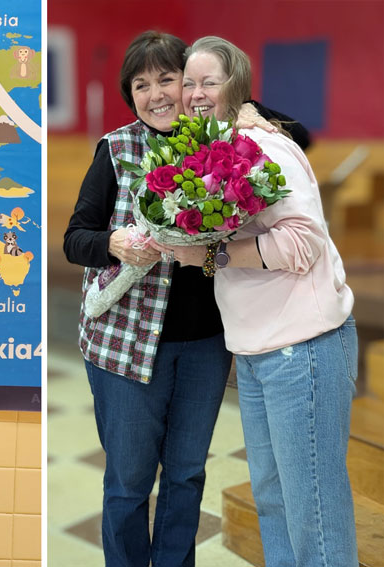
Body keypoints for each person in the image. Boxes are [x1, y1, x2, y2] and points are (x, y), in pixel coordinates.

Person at [62, 31, 307, 567]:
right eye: (141, 84)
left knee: (187, 474)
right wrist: (113, 243)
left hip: (206, 344)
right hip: (123, 347)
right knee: (128, 483)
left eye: (167, 79)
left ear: (193, 85)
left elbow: (303, 135)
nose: (156, 94)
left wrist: (248, 111)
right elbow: (73, 239)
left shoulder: (220, 141)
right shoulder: (116, 148)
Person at [159, 35, 357, 567]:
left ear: (236, 87)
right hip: (254, 350)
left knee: (311, 508)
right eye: (190, 83)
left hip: (304, 348)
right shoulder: (204, 152)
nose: (197, 93)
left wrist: (213, 251)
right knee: (272, 501)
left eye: (210, 82)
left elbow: (302, 241)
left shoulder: (264, 146)